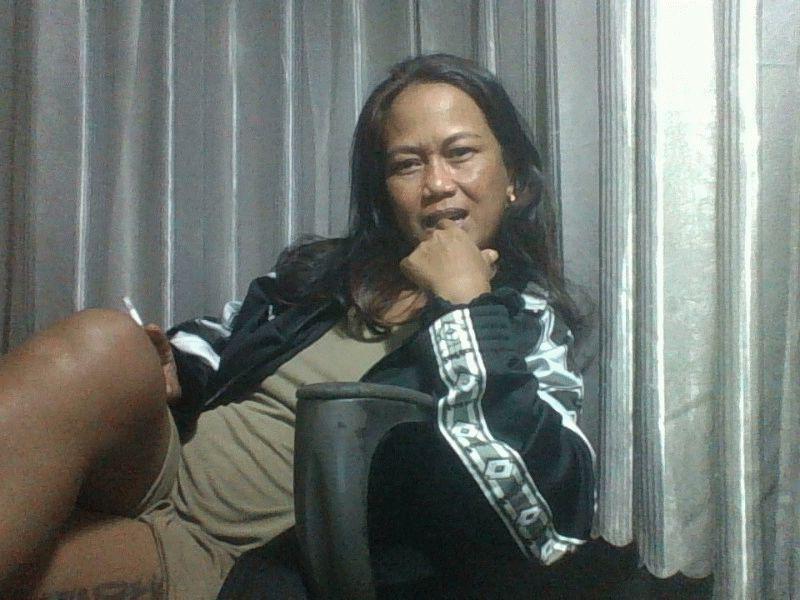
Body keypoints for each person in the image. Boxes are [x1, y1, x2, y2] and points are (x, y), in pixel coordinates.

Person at [0, 54, 595, 599]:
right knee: (103, 340)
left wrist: (466, 305)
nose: (437, 184)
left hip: (228, 556)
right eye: (407, 164)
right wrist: (173, 363)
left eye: (460, 153)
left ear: (513, 179)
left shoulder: (526, 325)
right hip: (162, 473)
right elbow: (224, 336)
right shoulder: (332, 273)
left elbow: (544, 513)